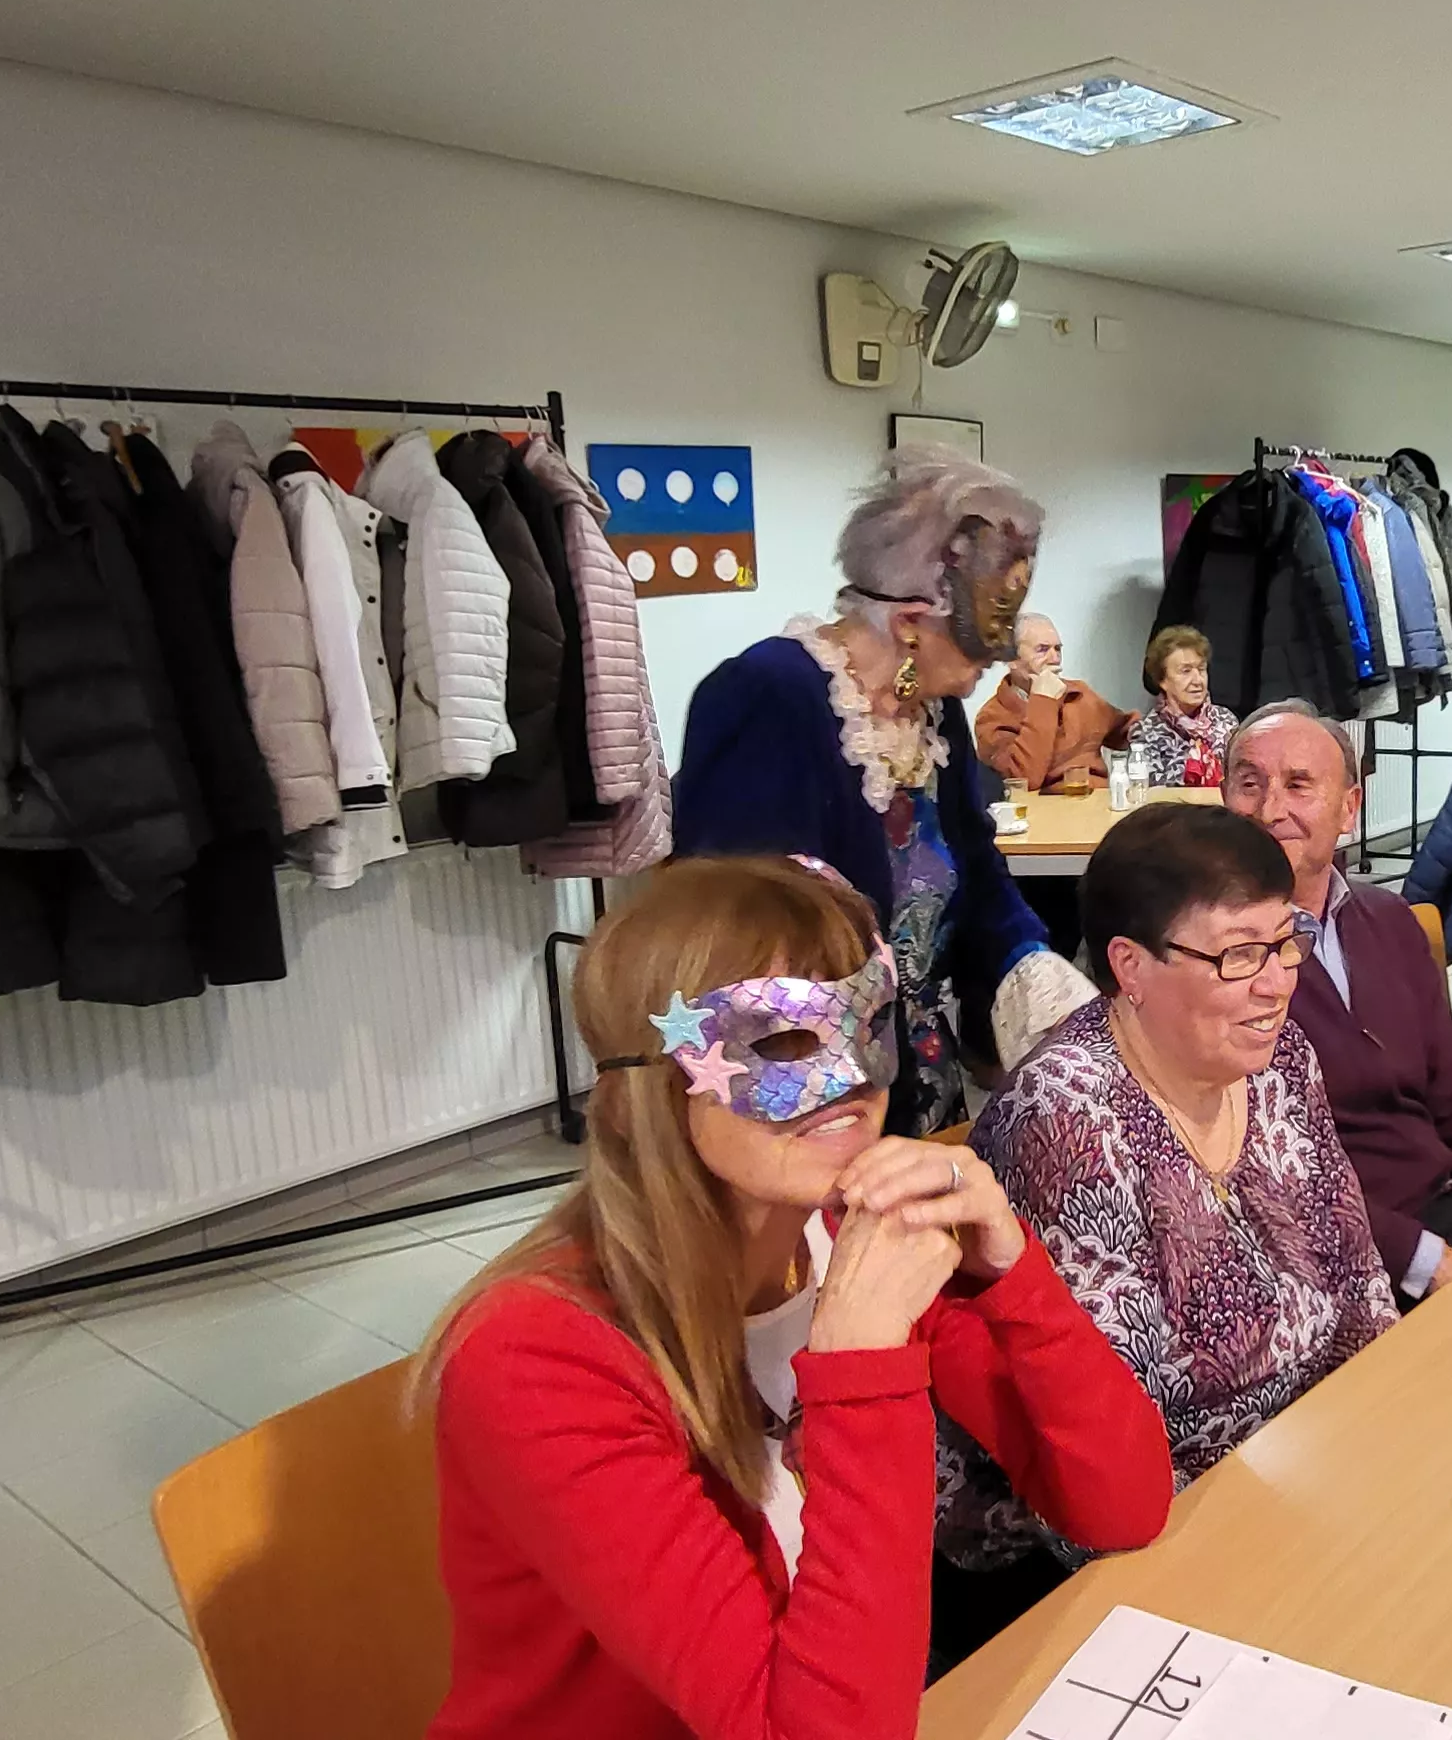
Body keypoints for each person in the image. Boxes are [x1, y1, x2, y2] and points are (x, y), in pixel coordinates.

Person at [418, 857, 1170, 1735]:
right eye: (783, 1042)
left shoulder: (834, 1235)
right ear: (650, 1085)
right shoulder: (536, 1357)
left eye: (871, 1020)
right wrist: (860, 1366)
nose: (853, 1076)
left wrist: (1014, 1272)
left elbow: (1120, 1504)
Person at [967, 805, 1397, 1515]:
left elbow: (1358, 1278)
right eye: (1238, 955)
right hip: (1165, 1522)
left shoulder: (1277, 1057)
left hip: (1320, 1460)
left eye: (1286, 941)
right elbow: (1116, 1438)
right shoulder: (1067, 1120)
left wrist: (1387, 1426)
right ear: (1130, 966)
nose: (1277, 982)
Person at [674, 448, 1096, 1136]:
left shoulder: (933, 709)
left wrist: (1039, 977)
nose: (992, 665)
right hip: (800, 1090)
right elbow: (735, 937)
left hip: (921, 1069)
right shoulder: (768, 695)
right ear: (908, 623)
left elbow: (979, 875)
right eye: (978, 646)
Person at [1224, 704, 1452, 1302]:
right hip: (1329, 1264)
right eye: (1250, 784)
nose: (1270, 810)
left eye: (1298, 785)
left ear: (1350, 808)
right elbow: (1257, 1169)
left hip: (1448, 1218)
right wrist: (1430, 1263)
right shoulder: (1213, 963)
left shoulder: (1389, 922)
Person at [972, 614, 1127, 794]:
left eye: (1058, 649)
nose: (1055, 659)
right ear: (1011, 660)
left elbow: (1126, 730)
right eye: (1042, 649)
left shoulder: (1079, 693)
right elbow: (1024, 782)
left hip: (1099, 802)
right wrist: (1043, 701)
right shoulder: (993, 717)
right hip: (1048, 812)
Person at [1128, 624, 1233, 791]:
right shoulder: (1147, 732)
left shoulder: (1226, 721)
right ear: (1162, 680)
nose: (1197, 680)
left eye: (1201, 669)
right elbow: (1150, 795)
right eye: (1186, 671)